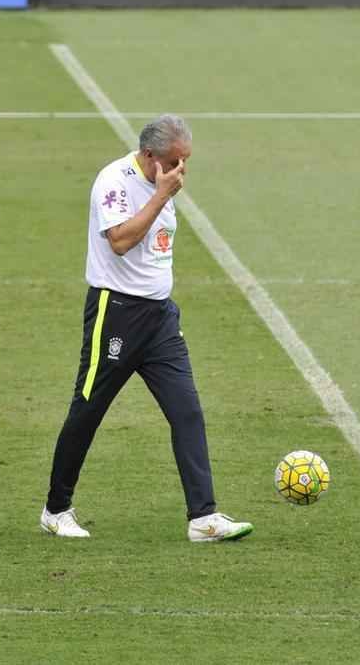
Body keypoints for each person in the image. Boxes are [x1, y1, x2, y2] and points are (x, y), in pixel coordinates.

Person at [40, 114, 253, 543]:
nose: (181, 171)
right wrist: (159, 196)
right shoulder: (114, 182)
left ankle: (202, 517)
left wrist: (162, 192)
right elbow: (119, 241)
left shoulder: (163, 180)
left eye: (185, 162)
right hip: (115, 312)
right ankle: (56, 509)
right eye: (175, 161)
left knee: (186, 411)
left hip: (160, 319)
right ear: (150, 155)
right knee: (87, 412)